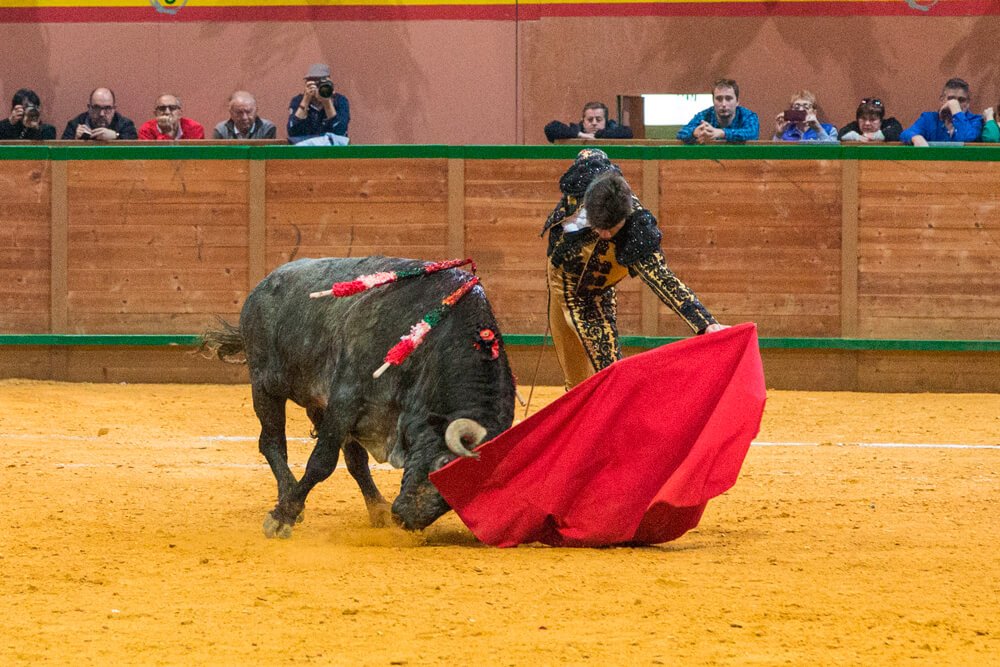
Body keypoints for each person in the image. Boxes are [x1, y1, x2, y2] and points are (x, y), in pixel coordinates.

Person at [542, 148, 726, 389]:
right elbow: (590, 152)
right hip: (558, 280)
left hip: (591, 296)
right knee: (573, 376)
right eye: (599, 227)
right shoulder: (587, 176)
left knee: (609, 374)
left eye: (611, 228)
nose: (605, 234)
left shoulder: (637, 231)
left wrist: (705, 323)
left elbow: (663, 279)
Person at [900, 78, 983, 145]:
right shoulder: (929, 119)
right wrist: (916, 137)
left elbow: (966, 138)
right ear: (942, 100)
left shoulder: (975, 120)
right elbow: (906, 133)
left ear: (968, 103)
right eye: (951, 99)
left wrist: (956, 111)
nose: (955, 104)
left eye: (961, 100)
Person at [676, 79, 759, 144]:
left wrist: (721, 133)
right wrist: (694, 132)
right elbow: (681, 133)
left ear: (737, 101)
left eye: (728, 99)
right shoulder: (705, 115)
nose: (723, 104)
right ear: (713, 101)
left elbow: (752, 133)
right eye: (719, 99)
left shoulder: (748, 116)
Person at [288, 63, 350, 142]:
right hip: (305, 150)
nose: (319, 87)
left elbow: (340, 131)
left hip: (333, 150)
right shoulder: (298, 100)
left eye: (322, 83)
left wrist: (327, 101)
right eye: (315, 83)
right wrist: (306, 99)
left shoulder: (340, 100)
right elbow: (292, 132)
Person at [61, 87, 138, 141]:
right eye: (96, 108)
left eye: (107, 108)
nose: (101, 114)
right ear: (89, 108)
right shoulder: (75, 125)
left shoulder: (126, 125)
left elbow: (135, 151)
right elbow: (61, 154)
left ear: (114, 109)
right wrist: (75, 140)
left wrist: (116, 136)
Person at [544, 102, 633, 143]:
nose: (594, 123)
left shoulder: (612, 128)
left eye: (598, 119)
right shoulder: (575, 130)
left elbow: (628, 132)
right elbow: (550, 128)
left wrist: (598, 135)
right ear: (583, 121)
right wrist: (581, 135)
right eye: (590, 120)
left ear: (605, 120)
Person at [772, 90, 838, 142]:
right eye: (796, 107)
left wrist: (819, 130)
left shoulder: (829, 130)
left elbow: (833, 154)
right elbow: (773, 155)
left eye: (806, 107)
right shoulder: (785, 133)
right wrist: (778, 135)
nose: (801, 110)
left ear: (814, 112)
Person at [137, 94, 205, 140]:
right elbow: (152, 158)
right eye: (162, 108)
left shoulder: (194, 128)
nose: (167, 112)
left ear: (180, 113)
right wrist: (166, 132)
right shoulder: (146, 130)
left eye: (172, 108)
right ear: (155, 113)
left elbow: (196, 157)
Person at [838, 98, 903, 142]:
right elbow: (841, 134)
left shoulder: (890, 123)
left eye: (872, 119)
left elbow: (898, 132)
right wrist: (857, 137)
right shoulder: (854, 126)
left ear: (881, 121)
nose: (867, 123)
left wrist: (874, 136)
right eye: (863, 119)